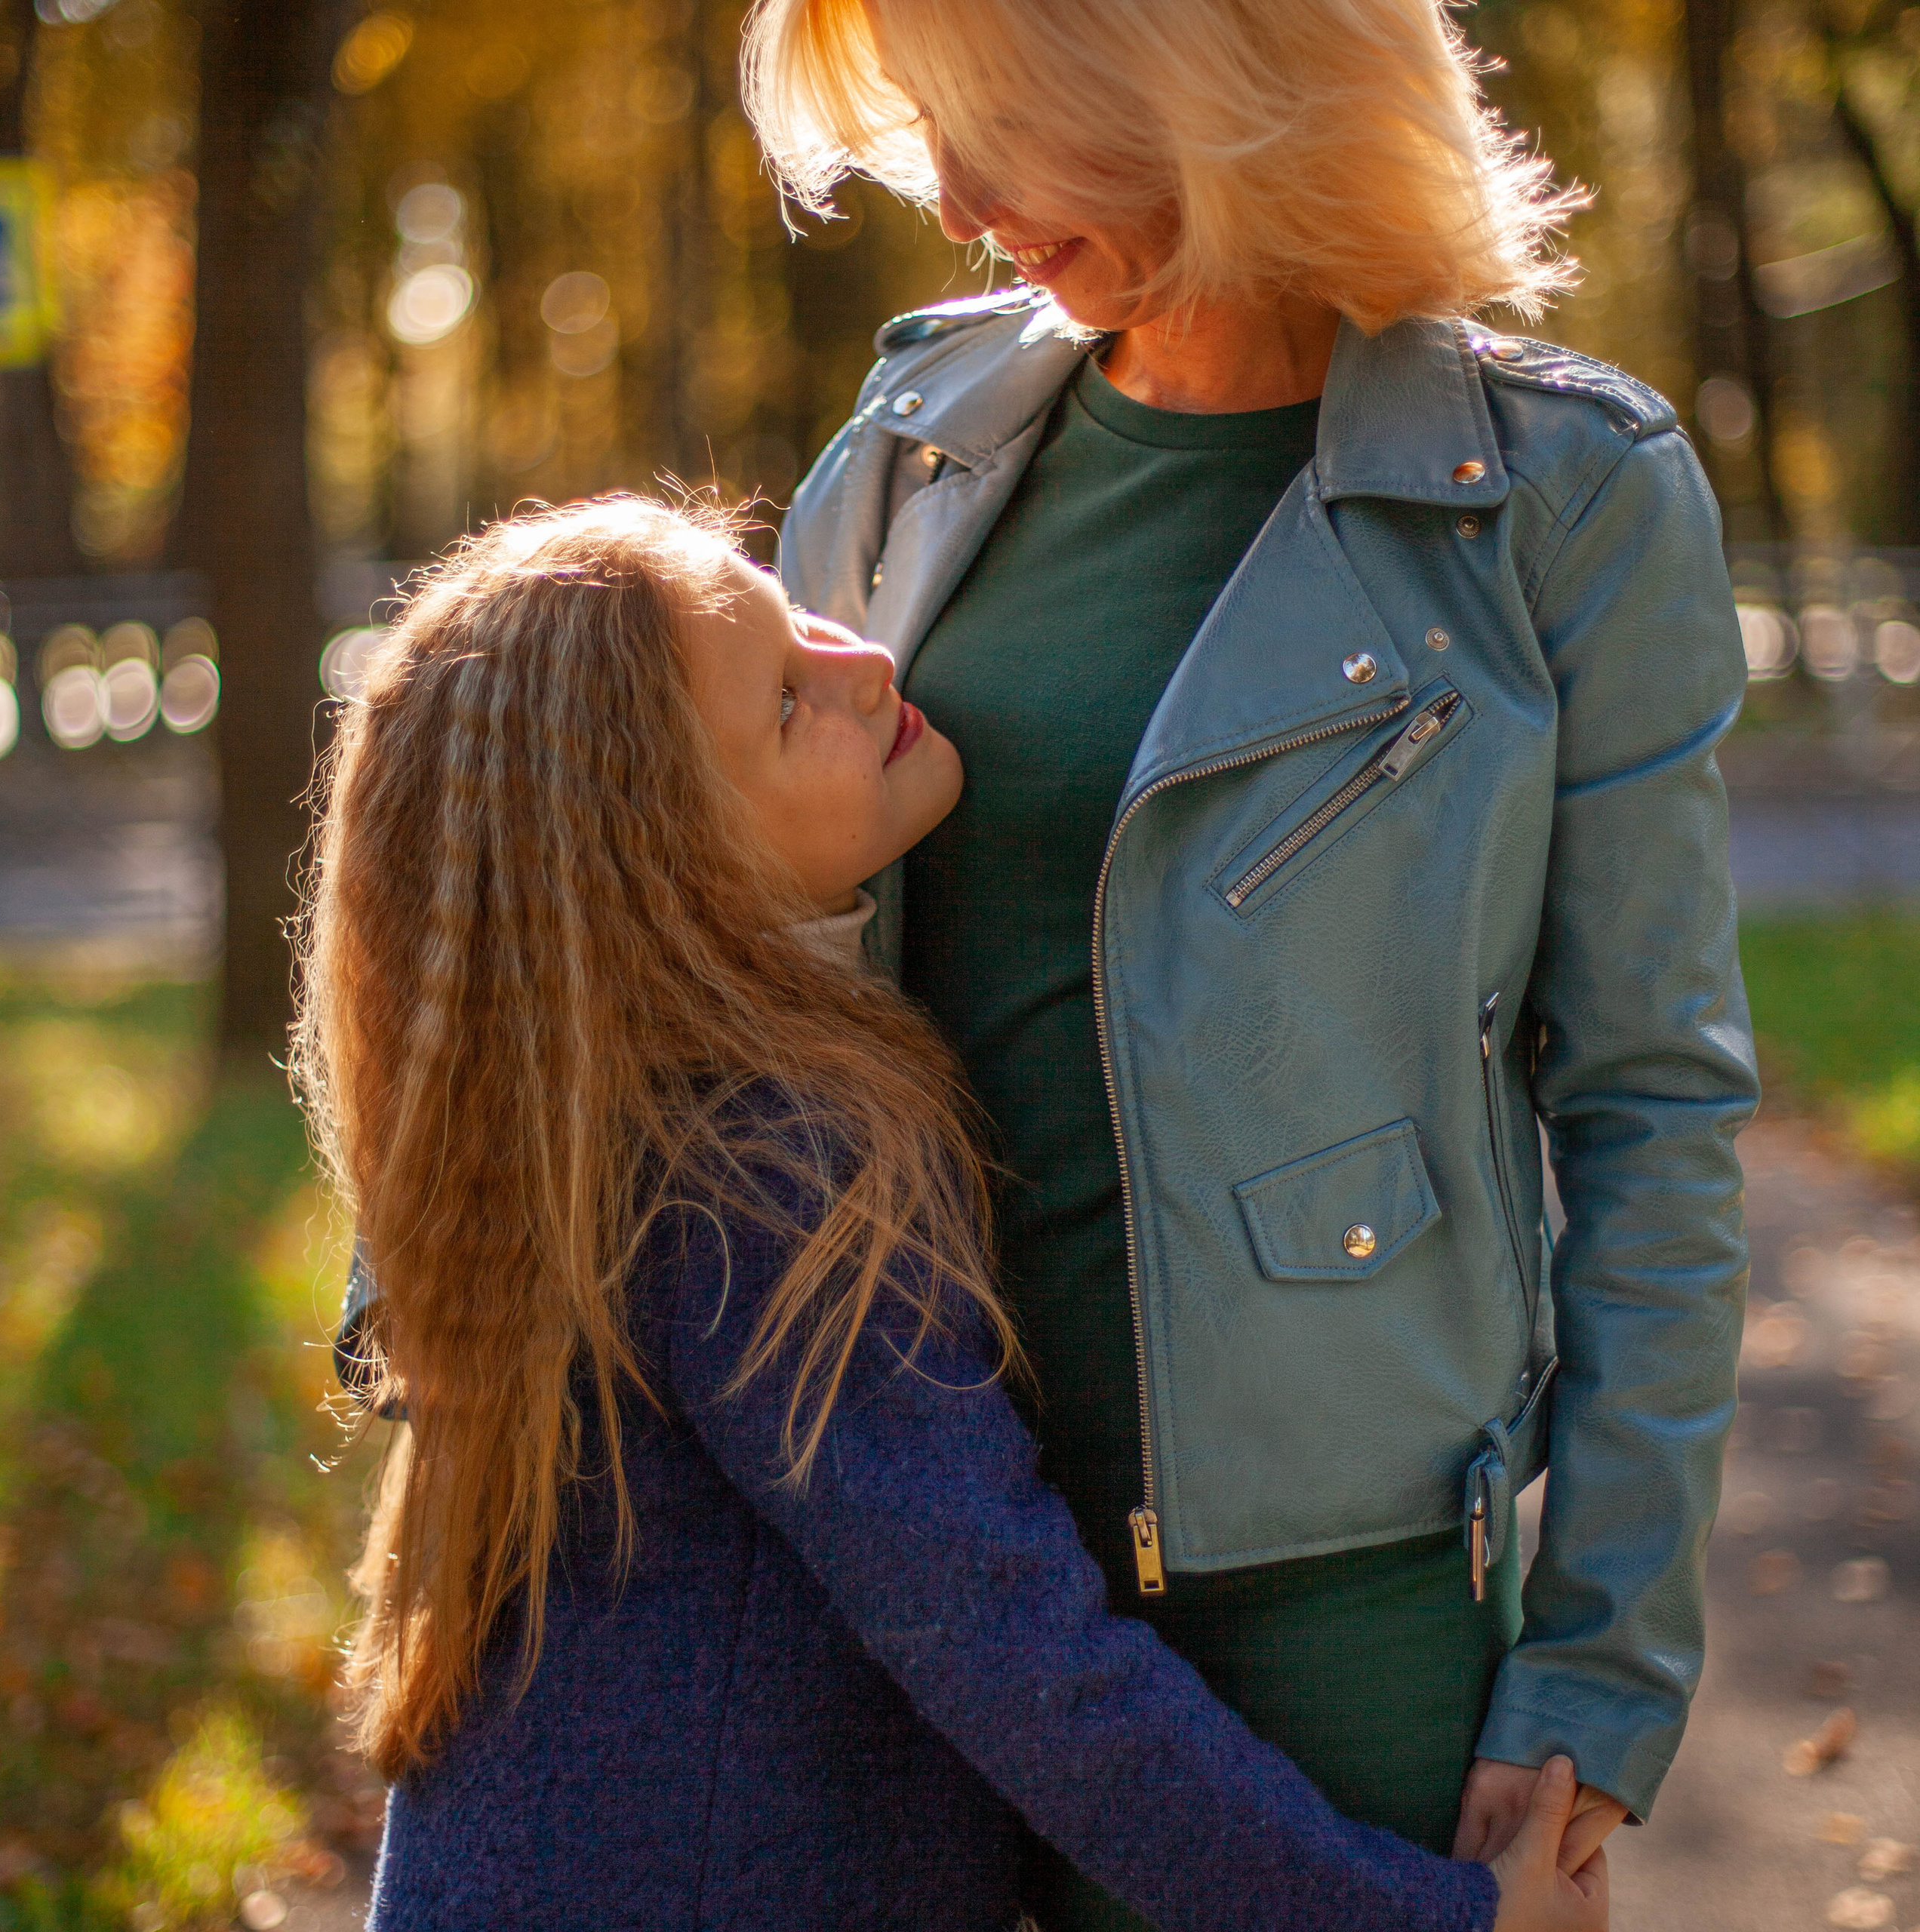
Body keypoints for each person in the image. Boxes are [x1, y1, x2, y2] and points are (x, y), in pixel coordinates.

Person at [749, 0, 1760, 1921]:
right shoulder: (903, 459)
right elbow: (720, 973)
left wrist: (1593, 1676)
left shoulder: (1561, 493)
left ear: (1191, 75)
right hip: (925, 1569)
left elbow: (1652, 1109)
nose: (952, 201)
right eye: (926, 136)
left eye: (999, 128)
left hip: (1348, 1634)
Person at [297, 497, 1605, 1931]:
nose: (860, 662)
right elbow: (1023, 1664)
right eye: (791, 706)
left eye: (792, 610)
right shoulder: (764, 1172)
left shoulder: (536, 1125)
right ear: (666, 869)